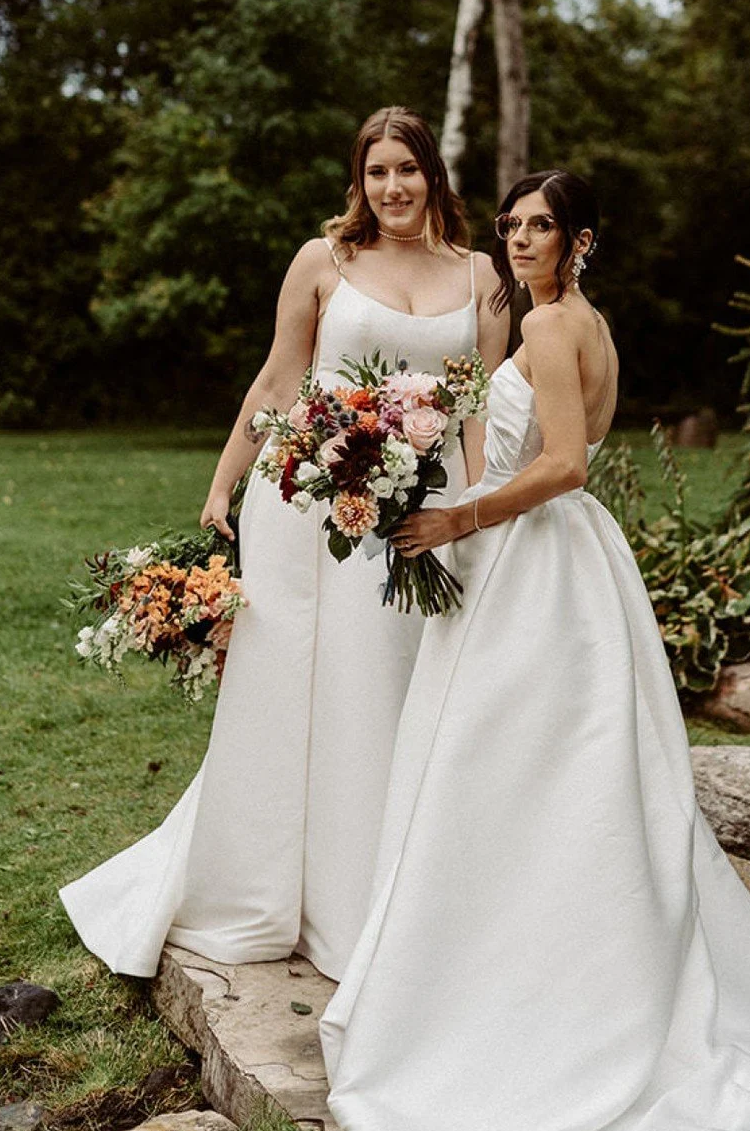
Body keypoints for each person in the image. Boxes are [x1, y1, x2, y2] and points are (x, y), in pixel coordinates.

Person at [320, 169, 750, 1131]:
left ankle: (509, 992)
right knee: (562, 770)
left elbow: (568, 463)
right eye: (512, 225)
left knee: (507, 767)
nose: (521, 239)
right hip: (569, 559)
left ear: (581, 237)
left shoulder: (548, 329)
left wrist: (455, 517)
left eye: (542, 226)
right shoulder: (586, 321)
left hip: (532, 554)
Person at [60, 106, 507, 982]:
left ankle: (381, 892)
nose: (393, 189)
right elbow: (279, 377)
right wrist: (224, 479)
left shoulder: (482, 274)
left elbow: (480, 402)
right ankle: (264, 887)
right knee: (295, 688)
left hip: (423, 509)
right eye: (377, 173)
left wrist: (483, 506)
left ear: (434, 175)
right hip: (308, 505)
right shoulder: (323, 261)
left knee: (391, 681)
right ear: (359, 179)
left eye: (407, 171)